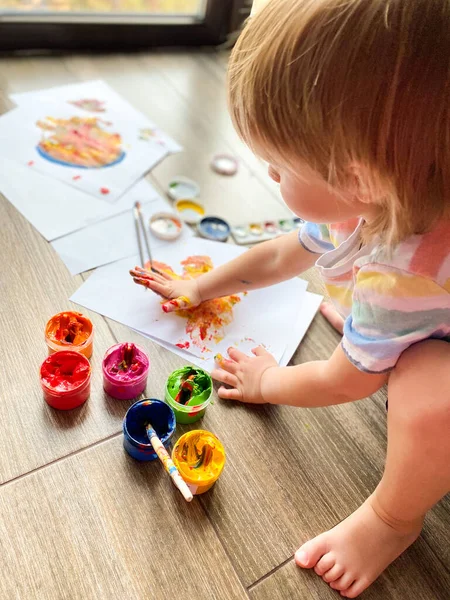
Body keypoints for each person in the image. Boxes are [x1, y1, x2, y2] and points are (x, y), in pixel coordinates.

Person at [131, 0, 450, 596]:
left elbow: (345, 383)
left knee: (430, 393)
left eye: (277, 167)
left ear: (357, 180)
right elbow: (283, 254)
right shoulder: (383, 194)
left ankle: (393, 519)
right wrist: (199, 286)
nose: (269, 178)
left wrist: (266, 382)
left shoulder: (400, 277)